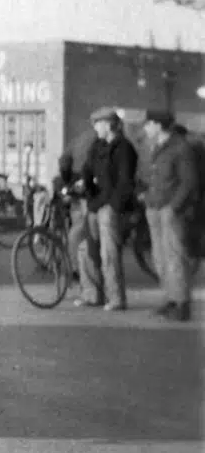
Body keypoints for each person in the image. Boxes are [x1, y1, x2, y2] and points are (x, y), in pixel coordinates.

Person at [75, 107, 138, 311]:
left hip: (111, 207)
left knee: (108, 251)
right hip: (95, 204)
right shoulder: (97, 146)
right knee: (85, 247)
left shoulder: (124, 148)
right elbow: (87, 169)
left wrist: (112, 206)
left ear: (110, 125)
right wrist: (86, 187)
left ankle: (116, 298)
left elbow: (125, 182)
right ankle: (91, 294)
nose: (95, 128)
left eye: (99, 124)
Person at [142, 110, 200, 322]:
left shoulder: (180, 148)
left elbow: (189, 181)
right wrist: (147, 197)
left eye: (148, 124)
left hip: (171, 211)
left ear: (158, 125)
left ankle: (181, 304)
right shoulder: (157, 148)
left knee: (175, 257)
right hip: (155, 208)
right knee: (160, 259)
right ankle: (170, 299)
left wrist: (173, 207)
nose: (145, 128)